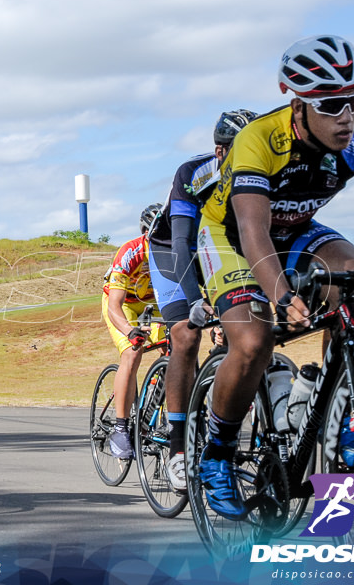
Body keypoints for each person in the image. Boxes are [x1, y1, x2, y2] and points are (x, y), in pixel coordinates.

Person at [194, 34, 354, 520]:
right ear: (300, 103)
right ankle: (216, 453)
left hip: (297, 228)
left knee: (353, 276)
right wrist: (282, 295)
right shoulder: (260, 139)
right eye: (332, 104)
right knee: (252, 341)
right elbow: (251, 229)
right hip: (232, 235)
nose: (347, 115)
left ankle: (338, 417)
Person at [146, 109, 255, 490]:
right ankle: (178, 450)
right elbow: (180, 242)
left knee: (248, 332)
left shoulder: (260, 173)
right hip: (171, 251)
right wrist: (196, 301)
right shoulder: (193, 173)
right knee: (186, 334)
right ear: (220, 151)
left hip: (219, 248)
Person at [102, 203, 166, 459]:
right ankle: (120, 427)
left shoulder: (176, 251)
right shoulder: (131, 252)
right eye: (158, 235)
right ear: (145, 233)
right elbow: (115, 306)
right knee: (132, 352)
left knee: (178, 350)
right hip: (123, 304)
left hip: (155, 304)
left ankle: (168, 418)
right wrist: (129, 330)